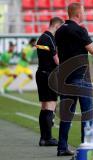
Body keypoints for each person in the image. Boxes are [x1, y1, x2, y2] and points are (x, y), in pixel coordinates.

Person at [55, 3, 93, 156]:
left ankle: (62, 148)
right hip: (80, 77)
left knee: (66, 115)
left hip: (64, 77)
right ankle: (85, 147)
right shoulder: (80, 30)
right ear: (78, 14)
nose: (85, 13)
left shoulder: (59, 30)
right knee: (87, 114)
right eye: (84, 11)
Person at [35, 17, 64, 146]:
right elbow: (56, 59)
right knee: (50, 106)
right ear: (57, 26)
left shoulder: (42, 37)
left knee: (45, 106)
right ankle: (47, 138)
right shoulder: (49, 38)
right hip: (48, 75)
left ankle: (44, 138)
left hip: (41, 73)